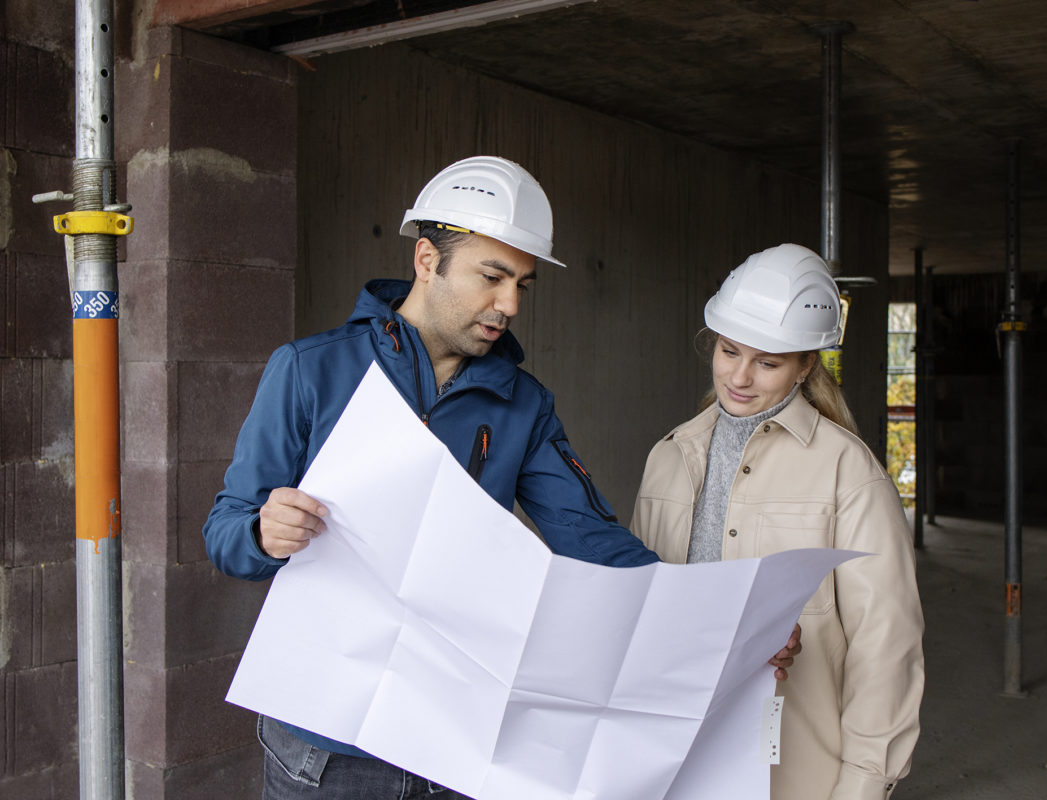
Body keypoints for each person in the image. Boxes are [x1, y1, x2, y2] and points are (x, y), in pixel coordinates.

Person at [204, 156, 801, 799]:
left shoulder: (524, 404)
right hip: (324, 748)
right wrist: (265, 534)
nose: (510, 304)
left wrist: (724, 624)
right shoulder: (309, 371)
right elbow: (226, 531)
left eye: (522, 283)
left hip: (453, 737)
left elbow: (592, 540)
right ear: (427, 260)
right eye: (492, 277)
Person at [631, 243, 925, 800]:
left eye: (767, 362)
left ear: (805, 363)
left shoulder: (847, 470)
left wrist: (865, 781)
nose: (740, 377)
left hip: (792, 764)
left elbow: (886, 643)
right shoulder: (669, 457)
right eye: (728, 351)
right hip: (675, 749)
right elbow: (645, 604)